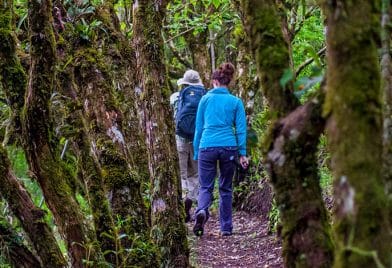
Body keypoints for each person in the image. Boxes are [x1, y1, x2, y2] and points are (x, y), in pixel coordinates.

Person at [192, 63, 249, 237]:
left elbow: (199, 128)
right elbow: (241, 129)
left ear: (215, 81)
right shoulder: (235, 102)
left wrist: (196, 151)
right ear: (227, 82)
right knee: (225, 188)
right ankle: (226, 228)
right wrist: (242, 153)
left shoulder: (205, 99)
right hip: (228, 147)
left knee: (205, 186)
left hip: (207, 146)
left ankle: (201, 210)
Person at [170, 70, 206, 222]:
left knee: (181, 173)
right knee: (195, 174)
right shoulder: (204, 96)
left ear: (183, 83)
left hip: (180, 139)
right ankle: (190, 198)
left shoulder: (175, 97)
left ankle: (184, 199)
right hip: (197, 139)